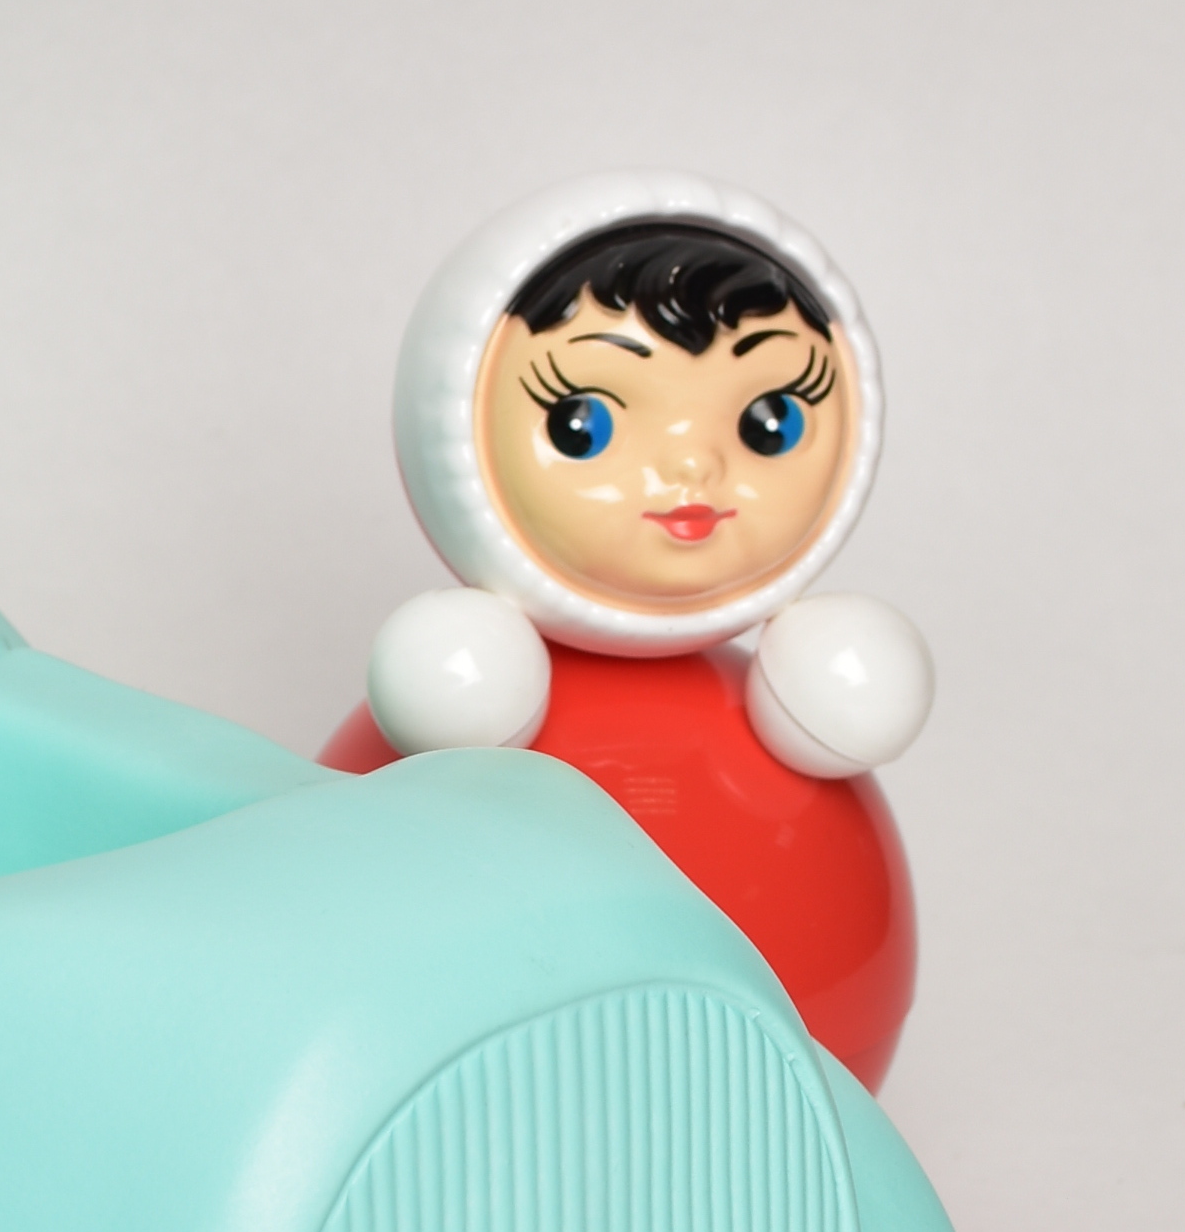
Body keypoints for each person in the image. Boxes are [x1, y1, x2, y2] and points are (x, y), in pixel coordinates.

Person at [318, 179, 932, 1086]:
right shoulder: (455, 695)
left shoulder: (802, 704)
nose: (693, 467)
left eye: (768, 422)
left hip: (788, 1096)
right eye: (584, 424)